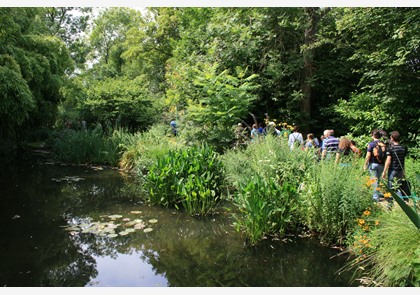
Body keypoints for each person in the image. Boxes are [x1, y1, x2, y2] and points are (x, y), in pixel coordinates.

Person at [381, 131, 408, 202]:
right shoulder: (403, 148)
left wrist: (384, 171)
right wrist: (404, 171)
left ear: (392, 138)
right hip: (400, 170)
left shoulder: (391, 148)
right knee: (398, 186)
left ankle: (391, 202)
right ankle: (400, 200)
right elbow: (403, 160)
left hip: (393, 169)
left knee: (391, 186)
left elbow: (388, 161)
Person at [363, 129, 386, 202]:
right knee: (378, 180)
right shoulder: (383, 144)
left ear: (373, 135)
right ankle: (377, 194)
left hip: (373, 164)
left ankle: (375, 198)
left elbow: (368, 155)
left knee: (373, 180)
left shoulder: (371, 144)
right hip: (381, 164)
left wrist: (365, 164)